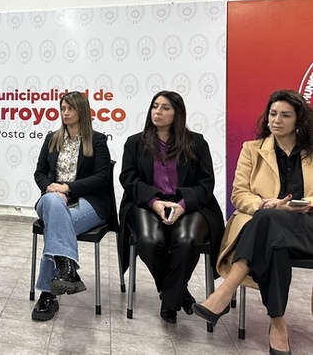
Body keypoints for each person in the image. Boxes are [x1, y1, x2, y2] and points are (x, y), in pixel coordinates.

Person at [193, 90, 313, 355]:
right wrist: (265, 204)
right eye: (272, 114)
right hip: (271, 230)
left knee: (268, 223)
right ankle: (277, 323)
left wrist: (304, 203)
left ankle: (224, 292)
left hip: (308, 227)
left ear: (299, 120)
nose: (276, 120)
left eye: (285, 115)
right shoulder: (253, 149)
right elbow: (240, 193)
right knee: (273, 240)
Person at [118, 90, 224, 324]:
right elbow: (128, 178)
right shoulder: (135, 142)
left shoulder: (196, 142)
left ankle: (169, 301)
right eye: (155, 106)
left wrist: (182, 205)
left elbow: (206, 183)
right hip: (147, 203)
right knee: (148, 241)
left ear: (177, 113)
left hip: (190, 204)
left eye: (165, 107)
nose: (158, 111)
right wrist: (155, 203)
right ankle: (177, 293)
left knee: (186, 240)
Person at [31, 91, 111, 321]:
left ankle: (48, 295)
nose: (65, 113)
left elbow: (102, 177)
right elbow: (39, 173)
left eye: (71, 108)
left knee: (54, 230)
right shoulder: (52, 138)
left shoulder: (97, 140)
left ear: (82, 111)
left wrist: (68, 188)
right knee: (53, 204)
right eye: (63, 108)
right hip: (51, 200)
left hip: (89, 202)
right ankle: (67, 270)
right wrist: (52, 188)